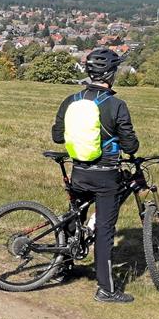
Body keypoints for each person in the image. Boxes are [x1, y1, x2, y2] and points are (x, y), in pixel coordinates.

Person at [52, 47, 139, 303]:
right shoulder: (116, 105)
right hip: (107, 177)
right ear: (110, 74)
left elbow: (57, 136)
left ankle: (62, 266)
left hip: (79, 172)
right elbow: (131, 146)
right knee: (104, 230)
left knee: (73, 217)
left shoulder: (72, 100)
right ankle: (106, 289)